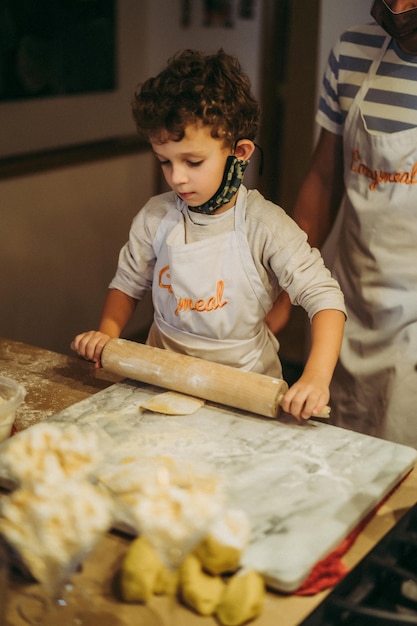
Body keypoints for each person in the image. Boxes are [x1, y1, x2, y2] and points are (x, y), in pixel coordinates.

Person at [71, 49, 345, 421]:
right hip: (160, 378)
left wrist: (315, 376)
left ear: (239, 153)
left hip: (246, 391)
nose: (177, 177)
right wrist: (108, 332)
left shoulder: (264, 225)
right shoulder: (156, 216)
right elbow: (128, 283)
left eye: (193, 162)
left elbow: (325, 298)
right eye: (165, 161)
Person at [267, 0, 417, 445]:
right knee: (347, 465)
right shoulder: (354, 51)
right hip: (353, 312)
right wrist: (282, 294)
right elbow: (322, 179)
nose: (399, 7)